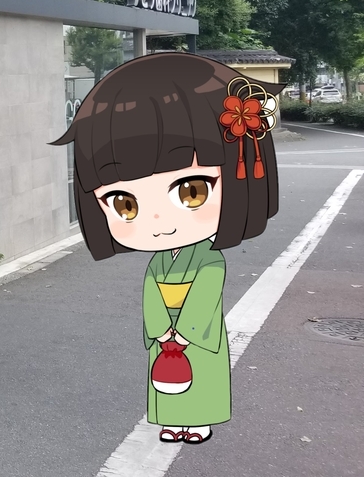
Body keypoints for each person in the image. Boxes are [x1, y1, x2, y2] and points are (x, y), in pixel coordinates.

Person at [51, 53, 281, 446]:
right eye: (126, 204)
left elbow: (206, 296)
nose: (157, 223)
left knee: (199, 374)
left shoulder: (209, 261)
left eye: (191, 191)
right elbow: (151, 297)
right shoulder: (160, 263)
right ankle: (174, 422)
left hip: (195, 332)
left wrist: (183, 332)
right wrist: (162, 330)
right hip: (169, 331)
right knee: (166, 379)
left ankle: (200, 421)